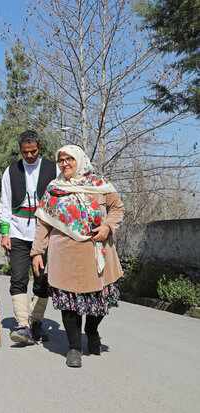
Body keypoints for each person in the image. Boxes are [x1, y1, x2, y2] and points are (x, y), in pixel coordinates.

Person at [31, 144, 124, 368]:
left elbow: (117, 208)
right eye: (61, 160)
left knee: (99, 301)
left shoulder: (100, 185)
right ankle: (74, 347)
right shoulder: (54, 189)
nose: (65, 164)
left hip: (96, 253)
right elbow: (43, 223)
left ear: (80, 160)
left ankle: (92, 331)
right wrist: (37, 252)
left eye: (69, 159)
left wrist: (108, 228)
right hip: (64, 254)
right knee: (69, 303)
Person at [0, 130, 58, 344]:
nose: (29, 156)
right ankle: (22, 324)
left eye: (33, 151)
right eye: (25, 152)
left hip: (45, 233)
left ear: (39, 148)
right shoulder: (11, 171)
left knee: (43, 281)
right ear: (21, 150)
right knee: (18, 278)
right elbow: (5, 203)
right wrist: (5, 232)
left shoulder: (54, 168)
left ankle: (36, 322)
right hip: (17, 231)